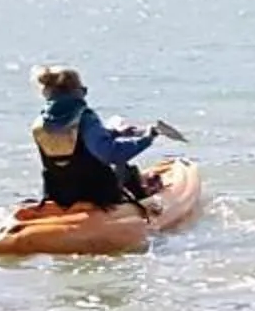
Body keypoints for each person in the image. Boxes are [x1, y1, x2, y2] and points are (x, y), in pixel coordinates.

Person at [29, 66, 163, 209]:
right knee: (124, 167)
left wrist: (114, 133)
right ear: (76, 91)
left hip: (60, 195)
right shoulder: (86, 117)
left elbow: (72, 143)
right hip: (97, 193)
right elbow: (112, 154)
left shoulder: (39, 122)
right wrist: (147, 139)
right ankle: (148, 206)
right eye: (83, 90)